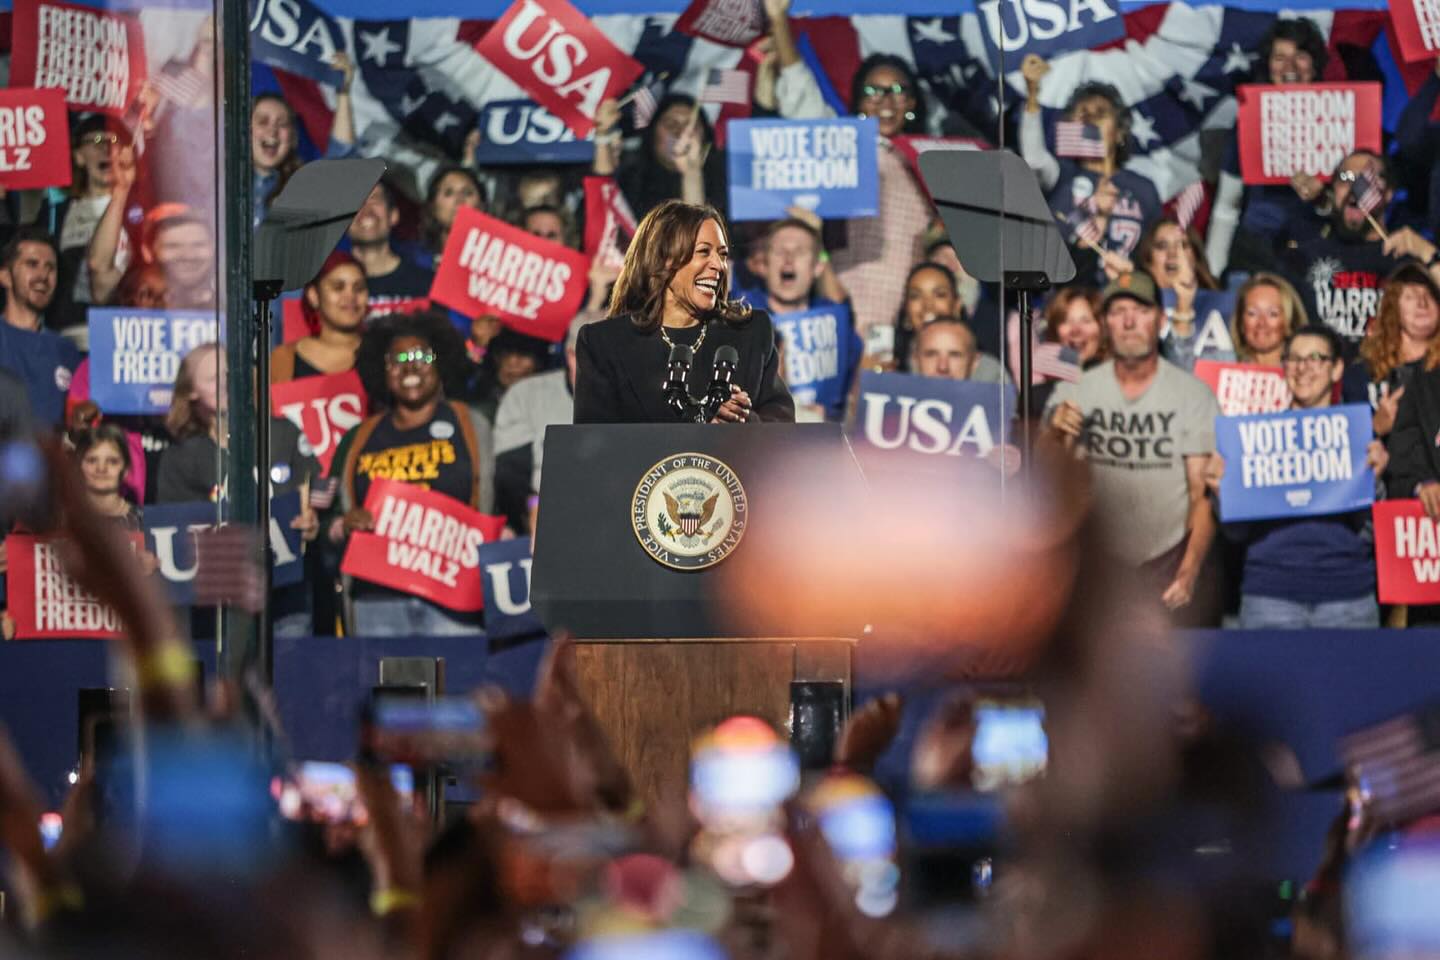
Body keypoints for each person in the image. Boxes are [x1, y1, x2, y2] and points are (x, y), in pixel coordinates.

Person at [1046, 271, 1220, 624]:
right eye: (1118, 312)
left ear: (1160, 320)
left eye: (1140, 310)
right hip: (1094, 566)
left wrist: (1187, 572)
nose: (1129, 322)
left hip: (1164, 563)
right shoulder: (1075, 391)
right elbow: (1044, 484)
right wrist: (1053, 434)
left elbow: (1201, 495)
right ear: (1105, 324)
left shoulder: (1193, 395)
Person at [763, 0, 934, 338]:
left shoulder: (931, 159)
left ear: (912, 103)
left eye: (898, 91)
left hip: (905, 319)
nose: (885, 101)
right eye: (873, 91)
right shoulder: (843, 142)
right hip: (839, 300)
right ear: (859, 101)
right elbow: (801, 97)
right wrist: (779, 21)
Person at [1206, 325, 1387, 628]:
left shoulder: (1358, 438)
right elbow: (1236, 533)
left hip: (1347, 594)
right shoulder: (1254, 439)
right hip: (1270, 595)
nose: (1302, 368)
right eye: (1293, 359)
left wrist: (1375, 483)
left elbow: (1371, 533)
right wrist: (1222, 494)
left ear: (1337, 369)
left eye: (1315, 358)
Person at [328, 311, 494, 636]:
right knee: (385, 673)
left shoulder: (472, 425)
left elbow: (503, 497)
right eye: (397, 359)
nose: (410, 367)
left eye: (422, 356)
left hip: (452, 596)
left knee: (458, 671)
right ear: (381, 369)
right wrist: (342, 525)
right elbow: (326, 520)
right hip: (377, 599)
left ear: (440, 361)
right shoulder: (358, 439)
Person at [573, 200, 794, 425]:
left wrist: (741, 419)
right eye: (704, 252)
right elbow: (594, 440)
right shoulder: (604, 344)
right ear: (664, 259)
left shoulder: (751, 333)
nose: (719, 265)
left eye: (722, 254)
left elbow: (782, 425)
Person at [1280, 150, 1440, 359]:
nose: (1356, 188)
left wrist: (1428, 253)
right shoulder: (1309, 251)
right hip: (1322, 372)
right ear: (1333, 189)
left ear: (1389, 193)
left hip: (1388, 371)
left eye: (1366, 180)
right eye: (1346, 178)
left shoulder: (1406, 258)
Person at [1206, 17, 1331, 278]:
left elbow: (1355, 188)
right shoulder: (1250, 120)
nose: (1290, 67)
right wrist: (1213, 277)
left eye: (1300, 56)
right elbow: (1227, 205)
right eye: (1279, 58)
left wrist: (1324, 199)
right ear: (1268, 65)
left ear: (1315, 65)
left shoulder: (1340, 115)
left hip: (1319, 254)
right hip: (1255, 253)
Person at [1020, 58, 1162, 271]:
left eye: (1100, 114)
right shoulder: (1061, 175)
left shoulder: (1144, 189)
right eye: (1083, 115)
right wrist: (1032, 96)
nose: (1090, 121)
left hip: (1125, 288)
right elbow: (1033, 159)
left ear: (1120, 132)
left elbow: (1155, 254)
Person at [735, 216, 859, 420]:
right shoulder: (739, 314)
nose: (788, 259)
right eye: (779, 251)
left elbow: (855, 399)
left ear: (817, 267)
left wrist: (829, 415)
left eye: (799, 251)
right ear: (763, 264)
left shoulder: (838, 323)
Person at [494, 311, 603, 533]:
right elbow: (510, 476)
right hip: (542, 524)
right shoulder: (526, 395)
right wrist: (534, 506)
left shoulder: (634, 397)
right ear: (571, 356)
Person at [592, 93, 728, 224]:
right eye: (671, 124)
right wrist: (603, 134)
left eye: (690, 126)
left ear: (704, 137)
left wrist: (692, 172)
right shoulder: (631, 178)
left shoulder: (725, 180)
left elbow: (699, 236)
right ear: (653, 134)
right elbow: (603, 195)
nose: (680, 133)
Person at [252, 64, 356, 229]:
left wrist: (343, 93)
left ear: (292, 139)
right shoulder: (217, 178)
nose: (272, 131)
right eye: (263, 122)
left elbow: (342, 160)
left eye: (282, 124)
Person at [1347, 263, 1440, 441]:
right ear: (1393, 307)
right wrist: (1375, 427)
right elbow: (1347, 446)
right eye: (1410, 296)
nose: (1422, 303)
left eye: (1429, 295)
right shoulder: (1362, 374)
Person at [0, 227, 79, 428]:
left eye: (50, 267)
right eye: (32, 264)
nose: (43, 275)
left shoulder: (67, 351)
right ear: (5, 276)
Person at [1135, 218, 1230, 371]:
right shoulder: (1132, 303)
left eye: (1182, 245)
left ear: (1195, 257)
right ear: (1148, 260)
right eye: (1162, 246)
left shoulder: (1224, 306)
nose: (1173, 253)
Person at [893, 263, 1005, 382]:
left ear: (957, 304)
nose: (928, 305)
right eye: (915, 296)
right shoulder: (892, 364)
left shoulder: (989, 374)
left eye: (940, 295)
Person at [271, 251, 368, 383]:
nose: (351, 296)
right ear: (314, 295)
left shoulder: (383, 352)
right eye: (338, 287)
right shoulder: (281, 360)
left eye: (359, 288)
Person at [347, 181, 436, 314]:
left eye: (375, 199)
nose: (366, 209)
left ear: (393, 215)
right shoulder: (330, 286)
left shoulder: (427, 283)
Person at [72, 423, 143, 529]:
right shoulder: (62, 521)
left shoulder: (145, 522)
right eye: (92, 460)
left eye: (112, 461)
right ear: (79, 466)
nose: (101, 468)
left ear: (126, 469)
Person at [1230, 273, 1307, 367]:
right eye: (1252, 313)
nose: (1261, 323)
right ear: (1241, 322)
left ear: (1289, 322)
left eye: (1272, 314)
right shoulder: (1222, 365)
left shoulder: (1307, 371)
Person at [420, 166, 484, 261]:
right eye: (448, 193)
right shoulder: (414, 260)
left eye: (467, 193)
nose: (459, 200)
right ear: (433, 206)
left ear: (481, 205)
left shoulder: (499, 261)